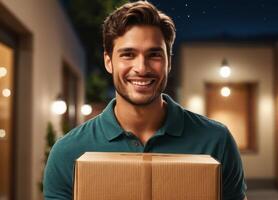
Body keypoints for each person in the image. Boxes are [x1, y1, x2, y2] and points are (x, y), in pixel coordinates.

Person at [43, 1, 247, 199]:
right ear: (108, 62)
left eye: (154, 55)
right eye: (128, 54)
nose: (141, 68)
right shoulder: (68, 153)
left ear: (169, 62)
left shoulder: (216, 141)